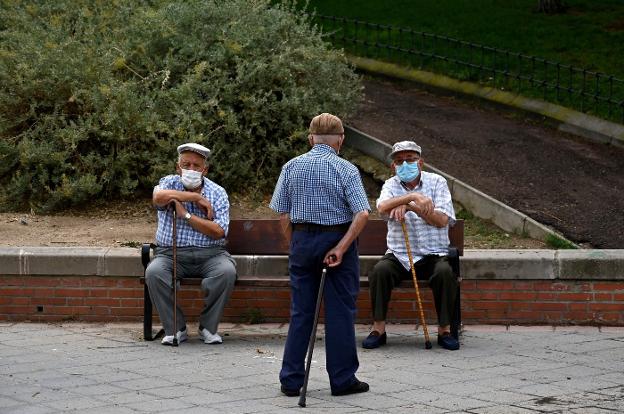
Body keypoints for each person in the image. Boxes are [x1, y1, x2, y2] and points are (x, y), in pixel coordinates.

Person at [270, 113, 371, 397]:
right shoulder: (346, 169)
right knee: (340, 312)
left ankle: (291, 379)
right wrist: (340, 248)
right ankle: (341, 380)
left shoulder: (291, 166)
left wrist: (296, 243)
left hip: (302, 239)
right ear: (340, 139)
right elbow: (361, 214)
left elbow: (283, 213)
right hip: (337, 239)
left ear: (311, 138)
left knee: (302, 312)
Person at [362, 140, 460, 351]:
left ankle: (444, 330)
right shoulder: (390, 185)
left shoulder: (437, 182)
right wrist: (412, 197)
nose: (404, 164)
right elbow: (382, 208)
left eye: (410, 159)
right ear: (393, 166)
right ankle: (378, 329)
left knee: (444, 273)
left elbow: (442, 220)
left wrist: (411, 208)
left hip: (433, 254)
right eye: (399, 161)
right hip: (400, 254)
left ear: (420, 162)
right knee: (380, 271)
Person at [145, 142, 237, 346]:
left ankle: (208, 327)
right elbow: (158, 197)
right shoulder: (169, 183)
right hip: (170, 254)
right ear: (178, 167)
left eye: (197, 166)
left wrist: (185, 214)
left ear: (205, 169)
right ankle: (176, 328)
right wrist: (195, 197)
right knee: (154, 273)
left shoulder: (218, 192)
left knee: (226, 272)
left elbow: (218, 232)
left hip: (211, 254)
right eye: (186, 164)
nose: (191, 170)